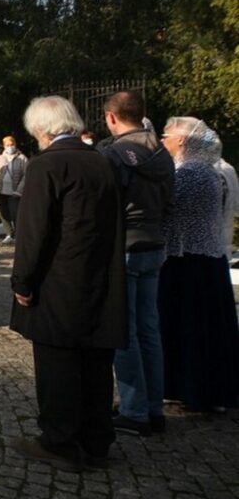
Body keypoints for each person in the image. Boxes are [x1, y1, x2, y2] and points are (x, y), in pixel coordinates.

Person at [8, 96, 126, 473]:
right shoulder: (103, 161)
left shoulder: (47, 166)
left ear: (42, 130)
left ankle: (59, 442)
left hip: (57, 283)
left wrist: (22, 282)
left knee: (57, 365)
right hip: (100, 278)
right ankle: (96, 441)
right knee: (95, 364)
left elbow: (33, 234)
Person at [99, 90, 174, 436]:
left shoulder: (114, 154)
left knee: (124, 331)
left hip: (125, 246)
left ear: (112, 117)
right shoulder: (162, 152)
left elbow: (106, 206)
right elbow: (170, 202)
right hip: (154, 243)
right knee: (149, 329)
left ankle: (133, 410)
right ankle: (153, 407)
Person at [157, 117, 239, 413]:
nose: (163, 139)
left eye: (166, 135)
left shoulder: (189, 173)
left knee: (190, 327)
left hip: (188, 261)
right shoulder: (207, 170)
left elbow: (167, 213)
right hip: (203, 259)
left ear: (182, 140)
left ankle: (193, 387)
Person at [0, 136, 27, 243]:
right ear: (4, 146)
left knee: (15, 213)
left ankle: (19, 234)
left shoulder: (22, 158)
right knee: (4, 214)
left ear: (15, 144)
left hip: (15, 192)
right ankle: (9, 234)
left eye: (12, 144)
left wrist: (19, 190)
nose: (10, 147)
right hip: (1, 191)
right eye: (7, 145)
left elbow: (26, 175)